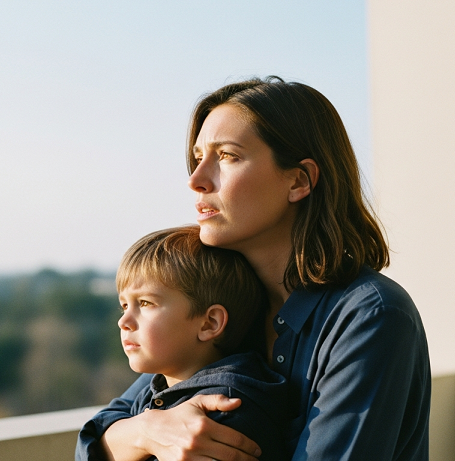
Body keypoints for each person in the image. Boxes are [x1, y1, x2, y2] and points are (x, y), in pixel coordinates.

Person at [77, 77, 431, 461]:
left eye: (227, 156)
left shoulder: (372, 317)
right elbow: (96, 439)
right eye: (198, 158)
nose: (196, 180)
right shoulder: (226, 300)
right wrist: (148, 430)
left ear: (298, 180)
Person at [78, 226, 292, 460]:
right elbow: (92, 436)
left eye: (146, 303)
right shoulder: (160, 386)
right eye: (125, 306)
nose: (124, 321)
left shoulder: (225, 411)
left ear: (209, 323)